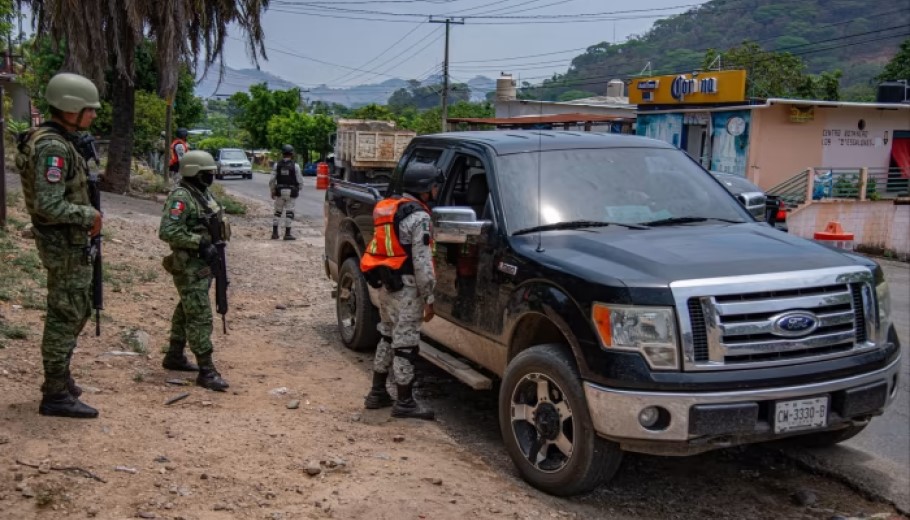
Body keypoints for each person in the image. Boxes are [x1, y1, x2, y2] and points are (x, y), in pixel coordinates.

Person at [14, 72, 103, 418]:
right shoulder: (52, 147)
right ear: (69, 108)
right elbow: (48, 205)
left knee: (77, 308)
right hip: (62, 244)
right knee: (65, 313)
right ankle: (54, 394)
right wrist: (88, 216)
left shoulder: (61, 141)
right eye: (88, 109)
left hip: (69, 242)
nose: (93, 115)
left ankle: (60, 378)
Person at [360, 163, 443, 420]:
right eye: (435, 186)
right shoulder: (420, 217)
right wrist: (430, 296)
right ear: (427, 188)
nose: (437, 189)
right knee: (405, 343)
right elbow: (422, 262)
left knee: (386, 334)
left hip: (387, 284)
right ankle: (405, 402)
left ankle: (377, 393)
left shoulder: (389, 209)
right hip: (408, 289)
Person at [158, 150, 230, 391]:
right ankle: (206, 370)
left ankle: (175, 355)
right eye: (208, 173)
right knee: (199, 315)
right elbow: (167, 230)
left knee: (186, 309)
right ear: (195, 173)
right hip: (189, 265)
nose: (211, 177)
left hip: (203, 265)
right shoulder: (182, 197)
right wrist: (199, 242)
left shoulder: (201, 194)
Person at [269, 144, 304, 240]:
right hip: (291, 191)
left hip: (279, 191)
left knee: (277, 212)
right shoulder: (295, 166)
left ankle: (275, 233)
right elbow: (300, 180)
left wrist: (272, 190)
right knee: (289, 212)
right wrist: (299, 188)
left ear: (282, 154)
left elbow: (272, 180)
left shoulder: (277, 165)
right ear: (292, 154)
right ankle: (287, 234)